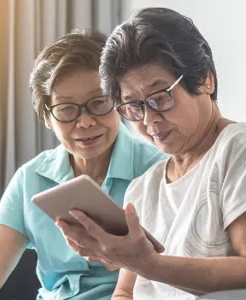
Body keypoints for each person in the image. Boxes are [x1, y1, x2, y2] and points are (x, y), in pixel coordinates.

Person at [0, 30, 166, 300]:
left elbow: (167, 271)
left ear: (119, 102)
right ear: (47, 118)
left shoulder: (159, 170)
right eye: (66, 109)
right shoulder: (31, 178)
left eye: (98, 103)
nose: (85, 122)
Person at [56, 8, 246, 300]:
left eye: (160, 98)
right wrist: (129, 261)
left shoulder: (236, 148)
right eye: (133, 107)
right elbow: (125, 291)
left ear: (206, 80)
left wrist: (150, 264)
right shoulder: (144, 187)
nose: (148, 120)